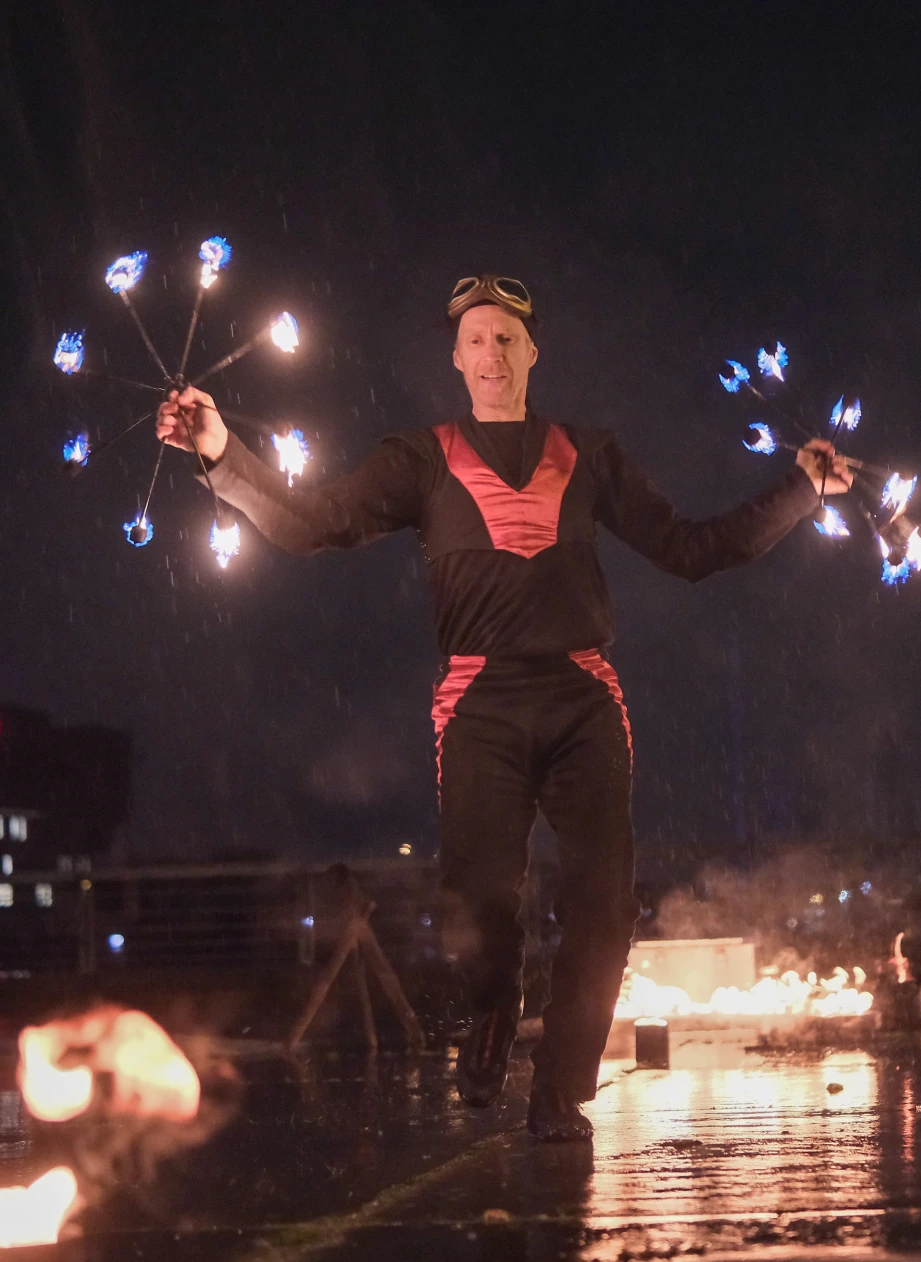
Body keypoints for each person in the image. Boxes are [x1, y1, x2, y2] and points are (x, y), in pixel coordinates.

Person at [157, 275, 852, 1141]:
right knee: (480, 898)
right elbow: (311, 522)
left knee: (604, 898)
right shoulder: (419, 457)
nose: (491, 353)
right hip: (479, 702)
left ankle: (560, 1089)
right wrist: (220, 448)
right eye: (476, 340)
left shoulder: (588, 452)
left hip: (582, 696)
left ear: (533, 352)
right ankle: (492, 1011)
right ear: (456, 358)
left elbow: (692, 548)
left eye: (507, 339)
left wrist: (801, 488)